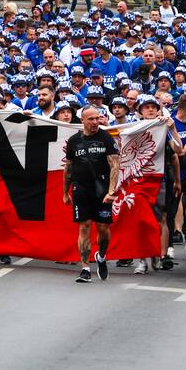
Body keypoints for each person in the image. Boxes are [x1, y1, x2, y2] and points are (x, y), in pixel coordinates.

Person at [63, 106, 119, 283]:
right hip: (81, 189)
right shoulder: (73, 141)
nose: (95, 122)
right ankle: (85, 267)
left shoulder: (106, 138)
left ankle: (101, 256)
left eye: (97, 118)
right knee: (84, 226)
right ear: (83, 121)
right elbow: (69, 168)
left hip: (102, 190)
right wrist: (65, 192)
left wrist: (111, 191)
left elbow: (115, 165)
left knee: (103, 228)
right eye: (91, 119)